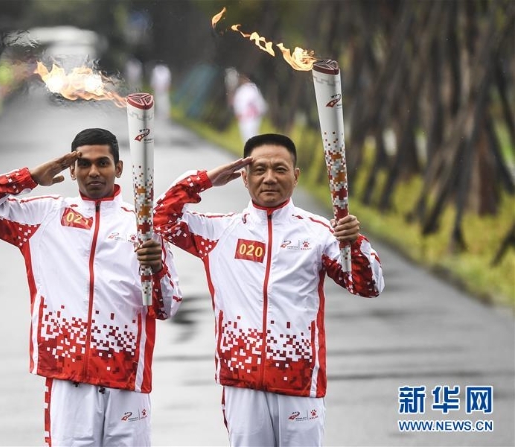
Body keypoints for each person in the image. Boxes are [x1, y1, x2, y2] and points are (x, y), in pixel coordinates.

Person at [153, 133, 384, 447]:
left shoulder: (320, 235)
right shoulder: (219, 233)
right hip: (242, 384)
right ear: (244, 178)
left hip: (300, 383)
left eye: (280, 169)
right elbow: (160, 219)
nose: (270, 178)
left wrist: (353, 243)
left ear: (296, 176)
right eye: (259, 169)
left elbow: (368, 285)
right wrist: (205, 180)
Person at [0, 128, 182, 446]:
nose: (93, 171)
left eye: (102, 163)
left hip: (127, 380)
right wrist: (30, 177)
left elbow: (166, 307)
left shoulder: (144, 226)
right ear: (71, 169)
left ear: (118, 168)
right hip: (68, 378)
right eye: (84, 164)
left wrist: (157, 269)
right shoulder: (44, 216)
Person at [232, 74, 268, 144]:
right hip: (250, 115)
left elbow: (243, 103)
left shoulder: (249, 89)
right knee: (249, 135)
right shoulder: (248, 89)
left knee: (249, 134)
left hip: (250, 115)